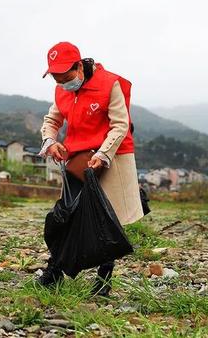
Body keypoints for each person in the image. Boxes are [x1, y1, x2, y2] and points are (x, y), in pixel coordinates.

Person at [37, 41, 144, 296]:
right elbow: (52, 120)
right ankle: (55, 272)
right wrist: (50, 140)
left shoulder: (110, 84)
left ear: (79, 66)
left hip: (111, 157)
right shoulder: (63, 90)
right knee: (66, 215)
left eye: (66, 76)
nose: (62, 82)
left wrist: (103, 154)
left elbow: (120, 125)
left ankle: (104, 280)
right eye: (56, 78)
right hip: (78, 160)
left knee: (107, 218)